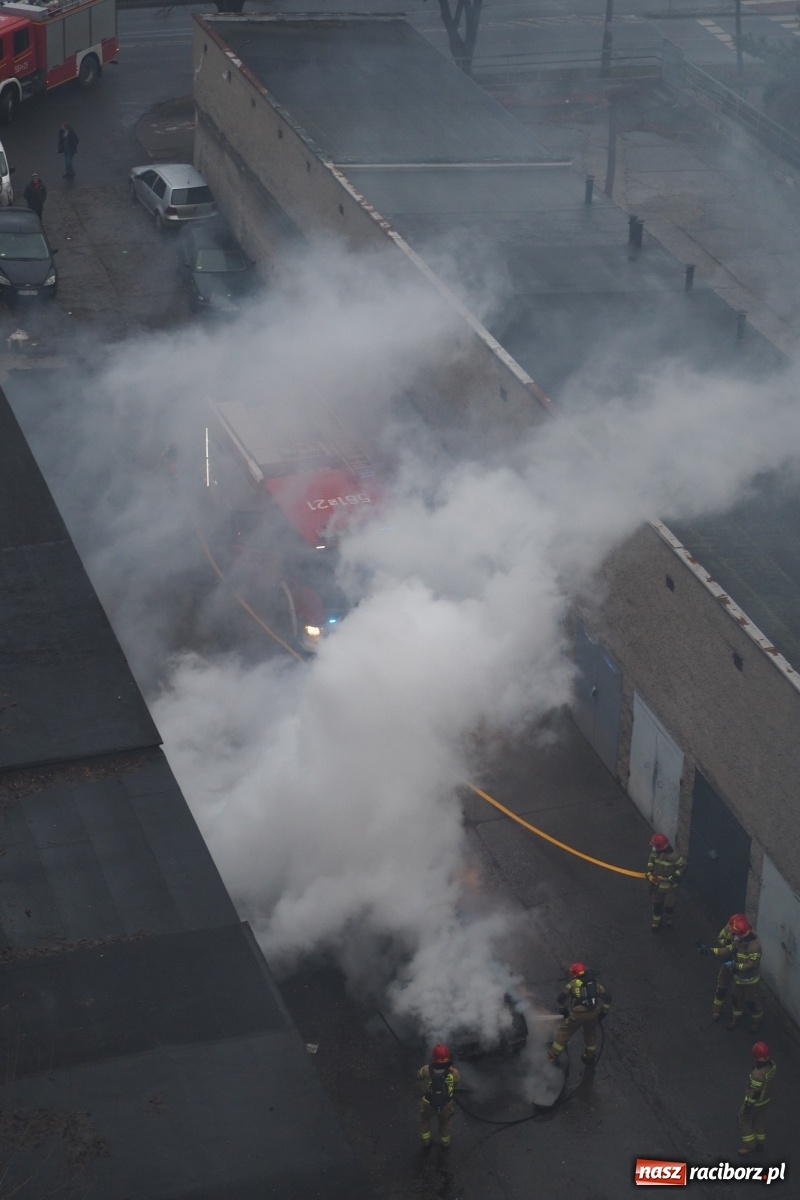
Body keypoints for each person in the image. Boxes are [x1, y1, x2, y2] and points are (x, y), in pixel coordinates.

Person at [699, 913, 763, 1030]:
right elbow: (726, 950)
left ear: (742, 933)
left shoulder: (755, 947)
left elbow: (750, 966)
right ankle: (736, 1020)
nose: (733, 934)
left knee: (752, 1003)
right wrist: (709, 950)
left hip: (750, 982)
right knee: (735, 1000)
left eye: (736, 933)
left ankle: (756, 1023)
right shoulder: (737, 942)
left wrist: (734, 965)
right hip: (738, 980)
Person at [547, 962, 611, 1068]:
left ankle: (551, 1058)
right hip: (593, 1014)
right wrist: (602, 1014)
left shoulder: (573, 983)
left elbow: (561, 999)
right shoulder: (594, 984)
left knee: (564, 1032)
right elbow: (608, 998)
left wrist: (564, 1012)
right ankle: (589, 1057)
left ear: (574, 974)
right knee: (590, 1034)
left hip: (578, 1014)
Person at [418, 1043, 459, 1153]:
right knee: (445, 1123)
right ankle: (445, 1143)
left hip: (428, 1103)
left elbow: (419, 1076)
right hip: (446, 1104)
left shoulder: (426, 1069)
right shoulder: (454, 1073)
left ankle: (426, 1142)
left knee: (424, 1120)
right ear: (447, 1057)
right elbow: (455, 1084)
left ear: (434, 1058)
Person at [738, 1042, 776, 1155]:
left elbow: (755, 1093)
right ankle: (760, 1141)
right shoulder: (773, 1065)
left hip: (755, 1103)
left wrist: (748, 1105)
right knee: (759, 1119)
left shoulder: (757, 1075)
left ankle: (749, 1146)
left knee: (744, 1120)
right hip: (765, 1101)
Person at [645, 833, 687, 931]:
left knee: (669, 906)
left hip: (670, 888)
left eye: (654, 846)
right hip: (657, 886)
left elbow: (683, 867)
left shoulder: (674, 856)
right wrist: (649, 873)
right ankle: (656, 923)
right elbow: (651, 862)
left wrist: (671, 878)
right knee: (657, 905)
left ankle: (669, 921)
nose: (653, 848)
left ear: (660, 847)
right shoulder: (655, 854)